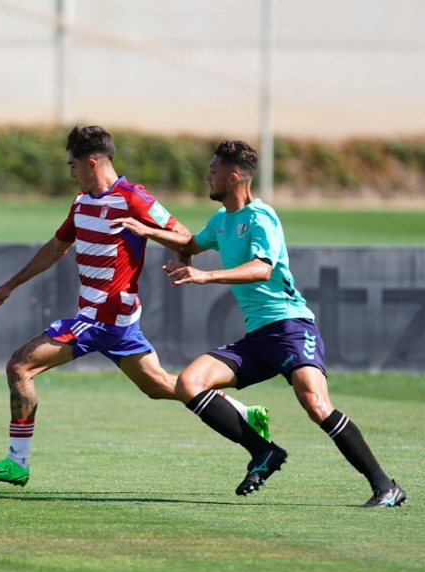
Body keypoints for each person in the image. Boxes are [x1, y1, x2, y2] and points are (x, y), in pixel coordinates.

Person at [111, 140, 405, 508]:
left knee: (315, 404)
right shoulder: (221, 220)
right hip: (259, 337)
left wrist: (205, 277)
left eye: (214, 171)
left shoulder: (261, 217)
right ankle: (263, 452)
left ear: (234, 178)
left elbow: (262, 268)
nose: (207, 175)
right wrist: (144, 230)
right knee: (190, 383)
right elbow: (189, 241)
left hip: (291, 327)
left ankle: (384, 485)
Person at [0, 126, 270, 487]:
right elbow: (55, 248)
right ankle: (244, 413)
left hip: (103, 318)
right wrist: (10, 284)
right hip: (115, 323)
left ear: (93, 164)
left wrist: (181, 262)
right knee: (160, 385)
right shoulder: (82, 202)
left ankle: (16, 462)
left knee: (20, 366)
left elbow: (183, 233)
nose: (71, 173)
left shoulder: (133, 197)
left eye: (73, 165)